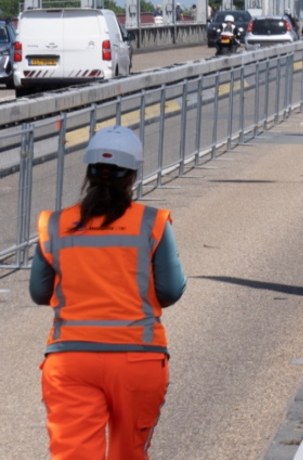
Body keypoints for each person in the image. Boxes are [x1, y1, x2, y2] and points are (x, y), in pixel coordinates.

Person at [30, 126, 187, 458]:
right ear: (132, 175)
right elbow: (171, 290)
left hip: (70, 360)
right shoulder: (152, 223)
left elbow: (40, 291)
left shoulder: (56, 224)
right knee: (127, 452)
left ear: (89, 172)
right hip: (137, 357)